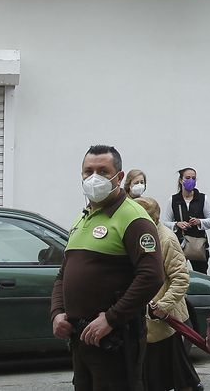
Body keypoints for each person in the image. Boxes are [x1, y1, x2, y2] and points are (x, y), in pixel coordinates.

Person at [51, 144, 163, 391]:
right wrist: (57, 312)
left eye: (103, 171)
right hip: (82, 338)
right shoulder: (83, 217)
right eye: (88, 171)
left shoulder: (134, 218)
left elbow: (152, 276)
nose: (94, 178)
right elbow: (64, 274)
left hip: (115, 338)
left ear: (119, 177)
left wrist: (112, 318)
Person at [136, 197, 200, 391]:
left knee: (175, 375)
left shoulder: (165, 239)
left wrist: (162, 306)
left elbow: (181, 279)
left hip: (163, 322)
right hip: (145, 322)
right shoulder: (138, 236)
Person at [167, 168, 210, 275]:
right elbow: (166, 222)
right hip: (179, 244)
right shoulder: (173, 200)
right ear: (181, 180)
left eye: (193, 178)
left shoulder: (203, 198)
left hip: (198, 244)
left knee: (201, 274)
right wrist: (177, 224)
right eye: (188, 178)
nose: (191, 181)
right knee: (177, 274)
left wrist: (200, 222)